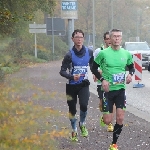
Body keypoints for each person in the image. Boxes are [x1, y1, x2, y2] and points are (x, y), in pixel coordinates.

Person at [92, 29, 135, 150]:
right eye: (114, 36)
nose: (117, 38)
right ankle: (105, 117)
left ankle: (114, 143)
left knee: (120, 118)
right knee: (107, 121)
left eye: (119, 36)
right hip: (107, 91)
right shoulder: (103, 53)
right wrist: (102, 79)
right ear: (110, 39)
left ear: (121, 38)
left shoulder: (126, 53)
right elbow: (93, 67)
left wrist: (130, 75)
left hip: (121, 90)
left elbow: (132, 67)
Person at [59, 29, 94, 142]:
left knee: (84, 105)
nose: (79, 39)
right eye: (77, 37)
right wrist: (71, 77)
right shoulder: (69, 54)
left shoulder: (89, 52)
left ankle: (82, 123)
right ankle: (74, 130)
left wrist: (97, 73)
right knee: (72, 110)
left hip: (84, 85)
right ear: (72, 39)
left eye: (81, 37)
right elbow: (62, 71)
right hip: (71, 86)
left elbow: (93, 66)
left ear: (83, 39)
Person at [93, 31, 115, 132]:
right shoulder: (99, 51)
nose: (109, 41)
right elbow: (93, 65)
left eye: (110, 38)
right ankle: (104, 115)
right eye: (107, 39)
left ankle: (110, 123)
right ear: (104, 40)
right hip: (101, 81)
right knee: (103, 103)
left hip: (113, 82)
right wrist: (96, 72)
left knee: (112, 103)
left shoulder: (116, 50)